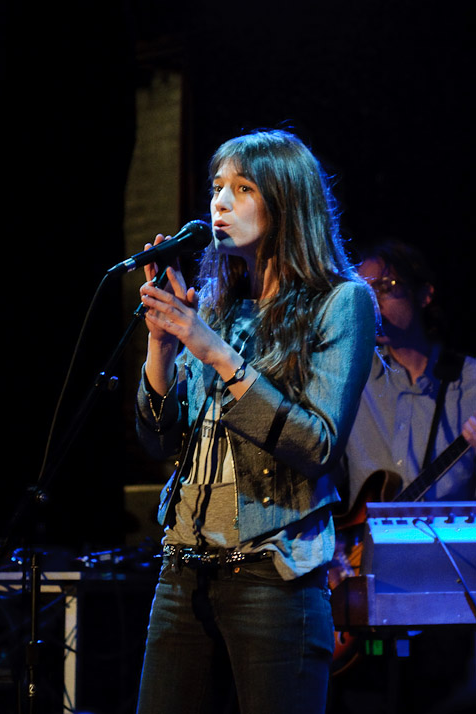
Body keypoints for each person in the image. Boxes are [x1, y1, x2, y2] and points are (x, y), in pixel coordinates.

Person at [133, 128, 376, 714]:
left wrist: (213, 350)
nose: (218, 202)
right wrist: (162, 351)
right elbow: (161, 443)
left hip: (273, 575)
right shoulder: (217, 306)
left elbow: (316, 444)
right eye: (217, 187)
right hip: (184, 570)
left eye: (242, 188)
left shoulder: (341, 301)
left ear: (287, 200)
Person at [330, 239, 476, 714]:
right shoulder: (349, 378)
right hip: (354, 580)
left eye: (387, 287)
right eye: (364, 290)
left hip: (445, 584)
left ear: (424, 295)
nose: (374, 302)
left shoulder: (469, 381)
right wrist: (333, 549)